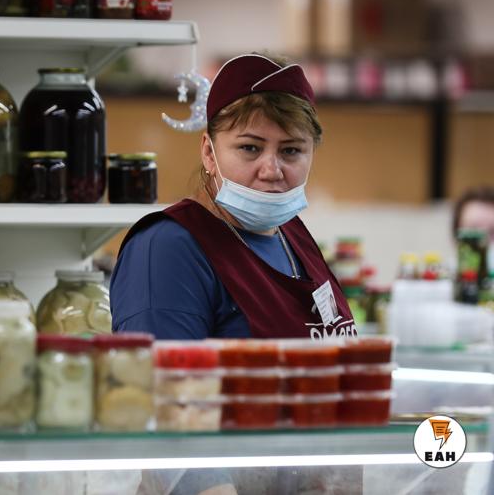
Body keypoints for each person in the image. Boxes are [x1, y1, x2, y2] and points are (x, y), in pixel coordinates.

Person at [110, 53, 357, 340]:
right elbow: (164, 368)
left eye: (291, 150)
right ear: (208, 152)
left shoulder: (291, 235)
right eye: (250, 148)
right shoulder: (167, 249)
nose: (271, 170)